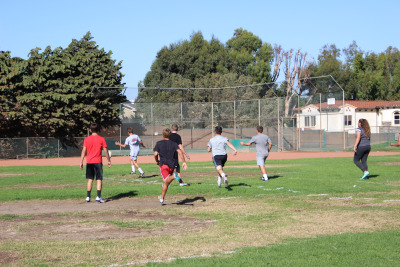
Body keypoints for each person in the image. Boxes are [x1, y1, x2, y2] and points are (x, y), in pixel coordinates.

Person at [154, 128, 188, 204]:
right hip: (172, 165)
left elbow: (155, 154)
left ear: (163, 135)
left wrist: (157, 161)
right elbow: (180, 151)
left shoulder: (159, 143)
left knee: (166, 181)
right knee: (166, 183)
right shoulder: (174, 143)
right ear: (170, 135)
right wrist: (184, 162)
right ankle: (161, 198)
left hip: (164, 165)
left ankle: (174, 176)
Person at [80, 123, 111, 203]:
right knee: (99, 179)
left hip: (89, 162)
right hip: (98, 162)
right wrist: (108, 160)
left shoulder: (86, 139)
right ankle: (98, 197)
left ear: (90, 130)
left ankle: (88, 197)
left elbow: (83, 151)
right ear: (98, 130)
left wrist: (81, 161)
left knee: (90, 179)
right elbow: (106, 151)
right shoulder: (101, 139)